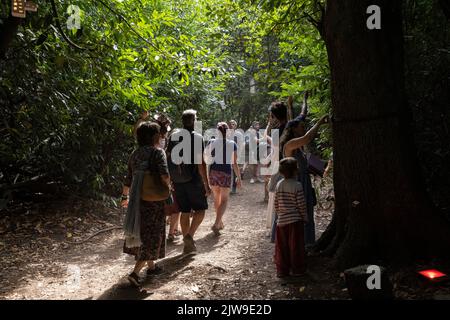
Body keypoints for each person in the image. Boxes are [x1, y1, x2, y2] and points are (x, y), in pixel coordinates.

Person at [121, 121, 170, 287]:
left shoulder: (134, 154)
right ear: (155, 136)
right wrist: (170, 188)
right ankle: (135, 273)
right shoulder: (158, 153)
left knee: (142, 232)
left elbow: (128, 178)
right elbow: (164, 174)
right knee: (152, 235)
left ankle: (152, 267)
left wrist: (124, 197)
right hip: (153, 200)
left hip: (136, 199)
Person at [166, 109, 211, 254]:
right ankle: (189, 237)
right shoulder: (197, 137)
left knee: (184, 211)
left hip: (178, 180)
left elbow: (167, 158)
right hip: (194, 180)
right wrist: (207, 184)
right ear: (193, 121)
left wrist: (169, 179)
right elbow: (201, 163)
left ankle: (187, 245)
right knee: (201, 209)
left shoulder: (173, 136)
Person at [281, 114, 329, 245]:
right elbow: (307, 138)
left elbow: (305, 166)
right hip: (296, 186)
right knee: (299, 216)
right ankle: (298, 246)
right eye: (301, 126)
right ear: (294, 129)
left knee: (306, 215)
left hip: (304, 184)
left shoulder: (299, 148)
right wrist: (319, 123)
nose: (304, 128)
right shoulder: (289, 145)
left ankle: (307, 244)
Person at [274, 157, 308, 278]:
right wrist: (305, 217)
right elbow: (301, 204)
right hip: (295, 221)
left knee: (282, 247)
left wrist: (280, 215)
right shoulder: (297, 185)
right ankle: (297, 270)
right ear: (295, 171)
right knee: (296, 247)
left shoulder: (279, 185)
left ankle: (282, 271)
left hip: (281, 222)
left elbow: (276, 204)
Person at [207, 122, 242, 235]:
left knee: (217, 198)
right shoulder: (232, 144)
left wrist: (207, 176)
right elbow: (234, 163)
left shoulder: (211, 142)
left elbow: (207, 159)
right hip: (225, 173)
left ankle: (219, 221)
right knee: (225, 200)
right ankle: (217, 223)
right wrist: (239, 178)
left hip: (213, 172)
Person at [227, 119, 244, 194]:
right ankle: (226, 186)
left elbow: (241, 144)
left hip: (235, 154)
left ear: (236, 126)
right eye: (230, 124)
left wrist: (239, 154)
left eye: (233, 124)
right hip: (227, 155)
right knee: (227, 170)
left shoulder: (239, 134)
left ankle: (234, 187)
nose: (231, 125)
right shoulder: (226, 133)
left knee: (235, 171)